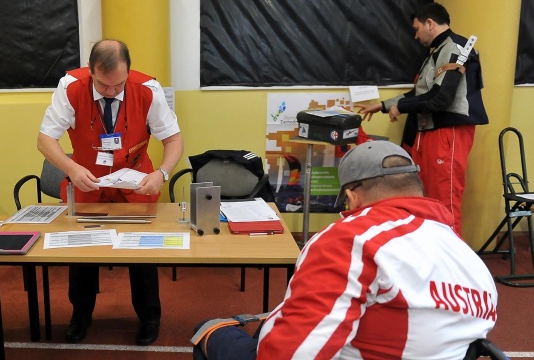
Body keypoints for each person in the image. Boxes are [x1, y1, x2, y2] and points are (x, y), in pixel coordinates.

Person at [193, 140, 497, 359]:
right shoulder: (466, 254)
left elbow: (290, 355)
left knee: (209, 330)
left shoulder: (353, 239)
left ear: (352, 196)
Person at [38, 39, 184, 345]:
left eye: (118, 85)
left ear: (128, 71)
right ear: (91, 71)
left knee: (142, 255)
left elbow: (173, 140)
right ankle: (80, 315)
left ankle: (149, 317)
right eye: (103, 85)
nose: (111, 91)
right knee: (81, 255)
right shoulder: (70, 86)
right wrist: (72, 168)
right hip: (88, 183)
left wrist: (162, 173)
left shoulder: (148, 89)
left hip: (136, 186)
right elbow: (45, 141)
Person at [355, 2, 489, 235]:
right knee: (424, 199)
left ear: (430, 23)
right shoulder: (437, 52)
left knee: (444, 201)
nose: (415, 36)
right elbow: (421, 93)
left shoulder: (455, 47)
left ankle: (452, 265)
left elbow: (440, 98)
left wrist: (402, 106)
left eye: (416, 29)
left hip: (448, 132)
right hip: (429, 132)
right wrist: (383, 106)